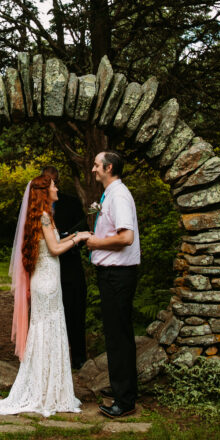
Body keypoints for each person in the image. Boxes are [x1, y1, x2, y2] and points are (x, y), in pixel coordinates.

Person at [0, 171, 88, 417]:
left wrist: (73, 236)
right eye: (53, 187)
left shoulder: (37, 217)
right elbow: (55, 248)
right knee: (48, 331)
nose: (57, 190)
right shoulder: (45, 218)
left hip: (43, 282)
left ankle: (46, 387)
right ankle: (47, 391)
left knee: (43, 331)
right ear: (44, 192)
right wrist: (79, 237)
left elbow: (51, 245)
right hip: (49, 284)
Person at [79, 151, 141, 418]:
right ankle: (121, 391)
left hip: (119, 275)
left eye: (96, 165)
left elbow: (126, 237)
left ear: (109, 167)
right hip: (112, 274)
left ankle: (124, 401)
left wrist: (95, 243)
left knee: (119, 338)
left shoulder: (119, 195)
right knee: (116, 336)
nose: (93, 169)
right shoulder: (111, 194)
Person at [42, 166, 88, 368]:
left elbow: (84, 227)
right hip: (46, 269)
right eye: (48, 181)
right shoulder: (34, 209)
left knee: (75, 310)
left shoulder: (70, 202)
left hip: (70, 266)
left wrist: (74, 236)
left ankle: (78, 357)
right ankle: (50, 359)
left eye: (54, 181)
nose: (53, 185)